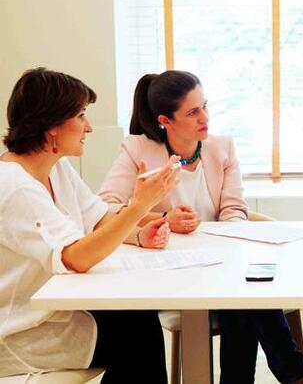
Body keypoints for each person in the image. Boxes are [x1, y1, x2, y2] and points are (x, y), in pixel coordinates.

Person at [98, 70, 303, 384]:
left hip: (217, 263)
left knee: (241, 297)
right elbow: (105, 206)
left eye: (205, 106)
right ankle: (296, 375)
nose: (205, 117)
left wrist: (229, 235)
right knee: (243, 296)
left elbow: (233, 208)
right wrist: (162, 221)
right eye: (192, 112)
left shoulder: (221, 147)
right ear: (165, 120)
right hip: (166, 270)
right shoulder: (138, 150)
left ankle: (286, 376)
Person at [0, 67, 178, 383]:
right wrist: (139, 206)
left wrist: (138, 233)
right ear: (52, 125)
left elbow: (99, 218)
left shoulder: (57, 168)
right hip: (22, 332)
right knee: (138, 335)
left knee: (138, 321)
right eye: (81, 116)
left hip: (58, 311)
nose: (89, 127)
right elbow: (76, 257)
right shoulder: (15, 185)